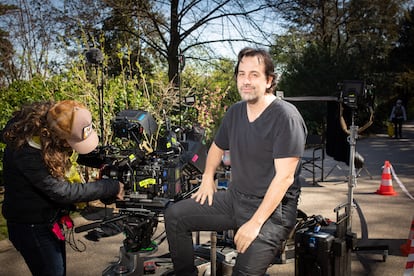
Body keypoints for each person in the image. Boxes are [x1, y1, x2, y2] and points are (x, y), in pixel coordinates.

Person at [165, 47, 307, 275]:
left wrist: (254, 224)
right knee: (174, 216)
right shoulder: (235, 112)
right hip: (235, 198)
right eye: (241, 74)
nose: (246, 81)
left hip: (272, 211)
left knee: (243, 272)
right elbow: (216, 147)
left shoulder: (285, 117)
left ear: (269, 80)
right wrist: (207, 177)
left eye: (254, 74)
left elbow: (284, 178)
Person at [1, 100, 124, 276]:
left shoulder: (56, 121)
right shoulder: (27, 151)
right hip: (31, 227)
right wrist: (109, 187)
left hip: (46, 219)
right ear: (58, 136)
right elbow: (62, 191)